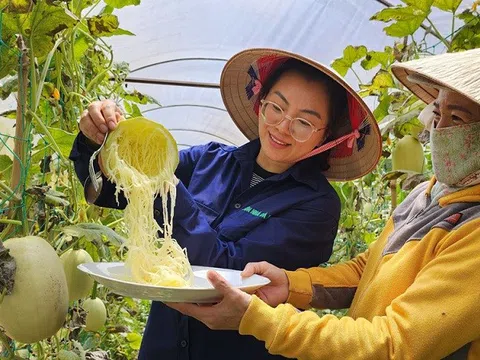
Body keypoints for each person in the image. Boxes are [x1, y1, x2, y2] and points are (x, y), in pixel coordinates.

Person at [69, 48, 382, 360]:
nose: (283, 127)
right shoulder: (208, 159)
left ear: (326, 137)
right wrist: (95, 141)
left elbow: (230, 271)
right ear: (261, 104)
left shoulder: (317, 206)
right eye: (277, 107)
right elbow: (115, 191)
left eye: (304, 122)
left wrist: (168, 188)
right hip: (162, 346)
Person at [167, 48, 480, 360]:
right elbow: (367, 270)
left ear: (325, 136)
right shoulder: (428, 195)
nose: (438, 130)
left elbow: (395, 344)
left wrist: (260, 318)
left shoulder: (473, 231)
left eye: (458, 119)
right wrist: (292, 283)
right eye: (437, 113)